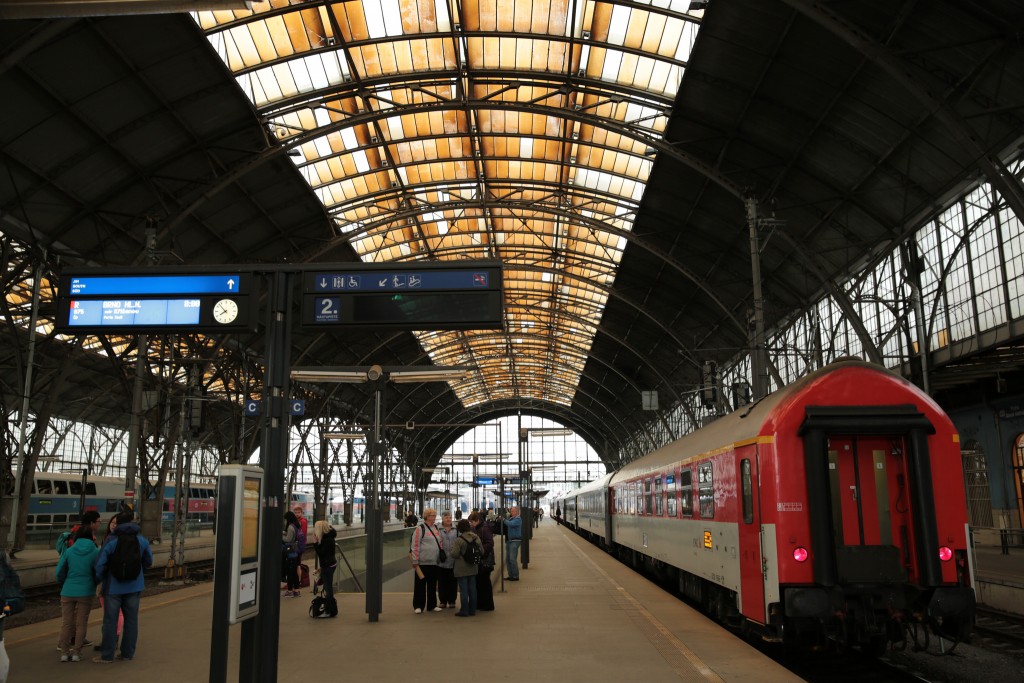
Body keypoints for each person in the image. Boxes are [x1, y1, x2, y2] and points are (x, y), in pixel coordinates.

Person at [93, 510, 153, 663]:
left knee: (110, 621)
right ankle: (127, 654)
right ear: (133, 522)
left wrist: (101, 578)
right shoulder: (142, 540)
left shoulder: (111, 540)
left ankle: (107, 656)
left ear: (118, 523)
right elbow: (149, 561)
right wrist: (139, 573)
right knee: (131, 621)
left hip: (114, 587)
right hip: (135, 586)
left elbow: (100, 565)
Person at [55, 510, 99, 652]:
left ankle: (63, 649)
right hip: (86, 590)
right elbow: (98, 571)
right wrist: (95, 583)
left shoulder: (69, 551)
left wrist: (64, 584)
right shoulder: (95, 551)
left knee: (66, 622)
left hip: (68, 590)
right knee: (81, 622)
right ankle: (77, 651)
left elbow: (59, 572)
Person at [409, 508, 442, 613]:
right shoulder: (420, 529)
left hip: (434, 562)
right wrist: (415, 560)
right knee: (420, 585)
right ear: (427, 516)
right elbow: (415, 545)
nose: (434, 517)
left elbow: (439, 542)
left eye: (435, 515)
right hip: (422, 563)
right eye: (432, 515)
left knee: (432, 585)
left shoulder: (436, 528)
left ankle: (432, 605)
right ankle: (418, 606)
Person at [450, 519, 483, 617]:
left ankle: (464, 610)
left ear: (459, 528)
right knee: (472, 588)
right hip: (473, 567)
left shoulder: (459, 540)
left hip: (461, 568)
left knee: (463, 589)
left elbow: (454, 554)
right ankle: (472, 610)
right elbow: (482, 551)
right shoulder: (476, 537)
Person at [469, 511, 495, 611]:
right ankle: (481, 604)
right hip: (482, 559)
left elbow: (489, 543)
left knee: (485, 583)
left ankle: (487, 605)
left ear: (477, 520)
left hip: (485, 560)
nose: (471, 524)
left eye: (472, 522)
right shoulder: (478, 528)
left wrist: (480, 551)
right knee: (480, 582)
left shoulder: (484, 528)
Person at [312, 520, 338, 618]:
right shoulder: (329, 537)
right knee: (328, 588)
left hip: (328, 566)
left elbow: (321, 553)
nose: (314, 530)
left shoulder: (327, 540)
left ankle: (329, 610)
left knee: (328, 588)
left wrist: (315, 543)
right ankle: (330, 609)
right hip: (328, 565)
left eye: (315, 527)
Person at [436, 511, 458, 609]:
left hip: (453, 560)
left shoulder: (456, 529)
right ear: (442, 519)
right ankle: (443, 601)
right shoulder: (437, 529)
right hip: (441, 560)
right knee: (442, 582)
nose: (448, 519)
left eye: (450, 517)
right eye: (446, 517)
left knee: (453, 582)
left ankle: (452, 600)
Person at [281, 511, 302, 598]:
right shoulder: (296, 525)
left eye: (286, 519)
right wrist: (284, 533)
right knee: (294, 572)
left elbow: (288, 539)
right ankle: (296, 590)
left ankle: (290, 591)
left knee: (290, 572)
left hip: (290, 553)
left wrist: (280, 536)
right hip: (295, 552)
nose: (285, 521)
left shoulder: (290, 527)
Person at [504, 506, 523, 581]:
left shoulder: (518, 519)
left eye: (512, 511)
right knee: (508, 559)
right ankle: (510, 575)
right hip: (510, 541)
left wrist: (503, 520)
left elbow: (510, 524)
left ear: (517, 512)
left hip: (515, 541)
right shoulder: (511, 518)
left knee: (512, 559)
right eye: (511, 511)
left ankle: (515, 576)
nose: (511, 512)